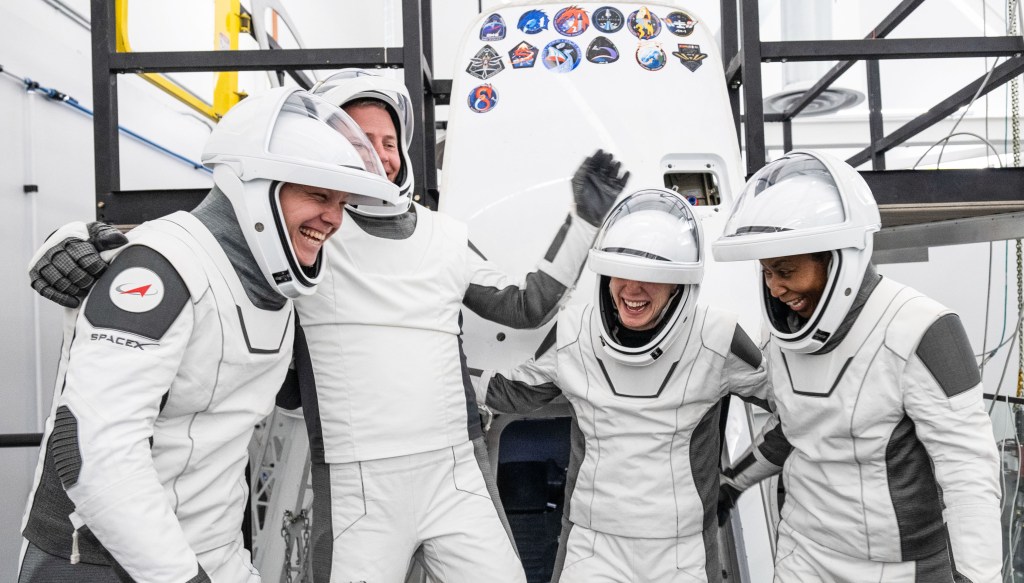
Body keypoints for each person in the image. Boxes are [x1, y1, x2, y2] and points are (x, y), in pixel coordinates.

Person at [28, 69, 630, 583]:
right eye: (357, 139)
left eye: (387, 140)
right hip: (354, 484)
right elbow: (189, 241)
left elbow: (524, 305)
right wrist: (72, 243)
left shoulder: (427, 235)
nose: (373, 154)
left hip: (454, 469)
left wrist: (581, 224)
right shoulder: (294, 239)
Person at [18, 86, 399, 583]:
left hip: (211, 550)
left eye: (342, 202)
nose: (333, 217)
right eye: (317, 195)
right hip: (100, 560)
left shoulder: (275, 279)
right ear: (255, 188)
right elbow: (95, 454)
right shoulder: (163, 268)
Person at [712, 150, 1001, 582]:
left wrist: (977, 577)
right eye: (767, 272)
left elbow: (968, 473)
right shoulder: (785, 333)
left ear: (838, 258)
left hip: (900, 568)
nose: (775, 288)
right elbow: (796, 430)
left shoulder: (923, 330)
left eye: (786, 271)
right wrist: (731, 483)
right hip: (802, 553)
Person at [474, 188, 771, 583]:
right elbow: (510, 393)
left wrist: (736, 481)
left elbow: (794, 407)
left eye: (650, 277)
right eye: (622, 272)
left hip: (681, 552)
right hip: (593, 548)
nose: (631, 290)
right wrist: (431, 375)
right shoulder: (574, 333)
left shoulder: (716, 338)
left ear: (678, 283)